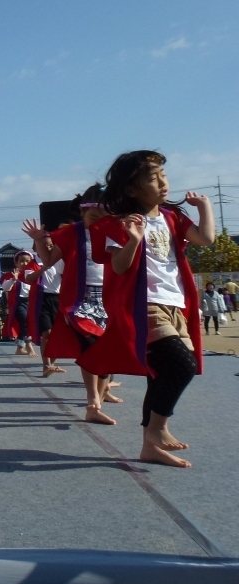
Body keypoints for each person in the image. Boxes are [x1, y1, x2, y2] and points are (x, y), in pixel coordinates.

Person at [83, 150, 214, 468]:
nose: (163, 183)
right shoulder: (122, 222)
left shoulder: (172, 217)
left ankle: (149, 445)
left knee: (164, 372)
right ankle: (157, 429)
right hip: (144, 305)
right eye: (154, 179)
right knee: (181, 365)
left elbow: (205, 239)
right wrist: (132, 240)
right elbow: (119, 266)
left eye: (163, 176)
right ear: (131, 188)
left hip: (175, 304)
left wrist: (205, 207)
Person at [24, 184, 115, 424]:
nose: (98, 221)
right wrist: (39, 241)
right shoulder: (71, 233)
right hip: (79, 299)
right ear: (82, 212)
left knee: (106, 352)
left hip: (109, 297)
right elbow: (48, 260)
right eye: (93, 216)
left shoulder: (115, 231)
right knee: (90, 345)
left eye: (104, 216)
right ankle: (92, 400)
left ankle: (100, 399)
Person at [1, 250, 38, 356]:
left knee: (27, 324)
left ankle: (20, 347)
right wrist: (13, 280)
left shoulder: (33, 275)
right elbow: (5, 288)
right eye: (21, 261)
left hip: (30, 302)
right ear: (16, 263)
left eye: (27, 261)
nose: (25, 263)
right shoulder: (10, 275)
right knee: (25, 321)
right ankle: (29, 345)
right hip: (17, 303)